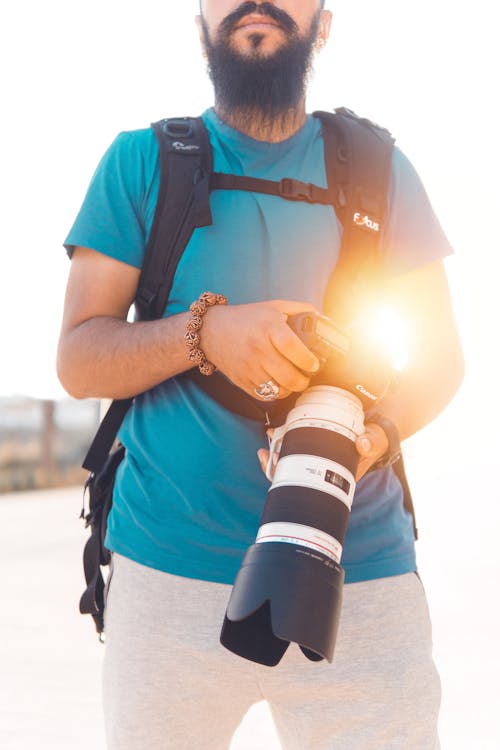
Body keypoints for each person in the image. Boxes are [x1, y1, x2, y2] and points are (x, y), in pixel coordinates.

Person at [57, 1, 464, 748]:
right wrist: (204, 333)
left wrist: (360, 444)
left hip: (361, 573)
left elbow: (440, 360)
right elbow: (80, 358)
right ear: (201, 23)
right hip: (168, 576)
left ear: (325, 22)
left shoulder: (382, 169)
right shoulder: (140, 162)